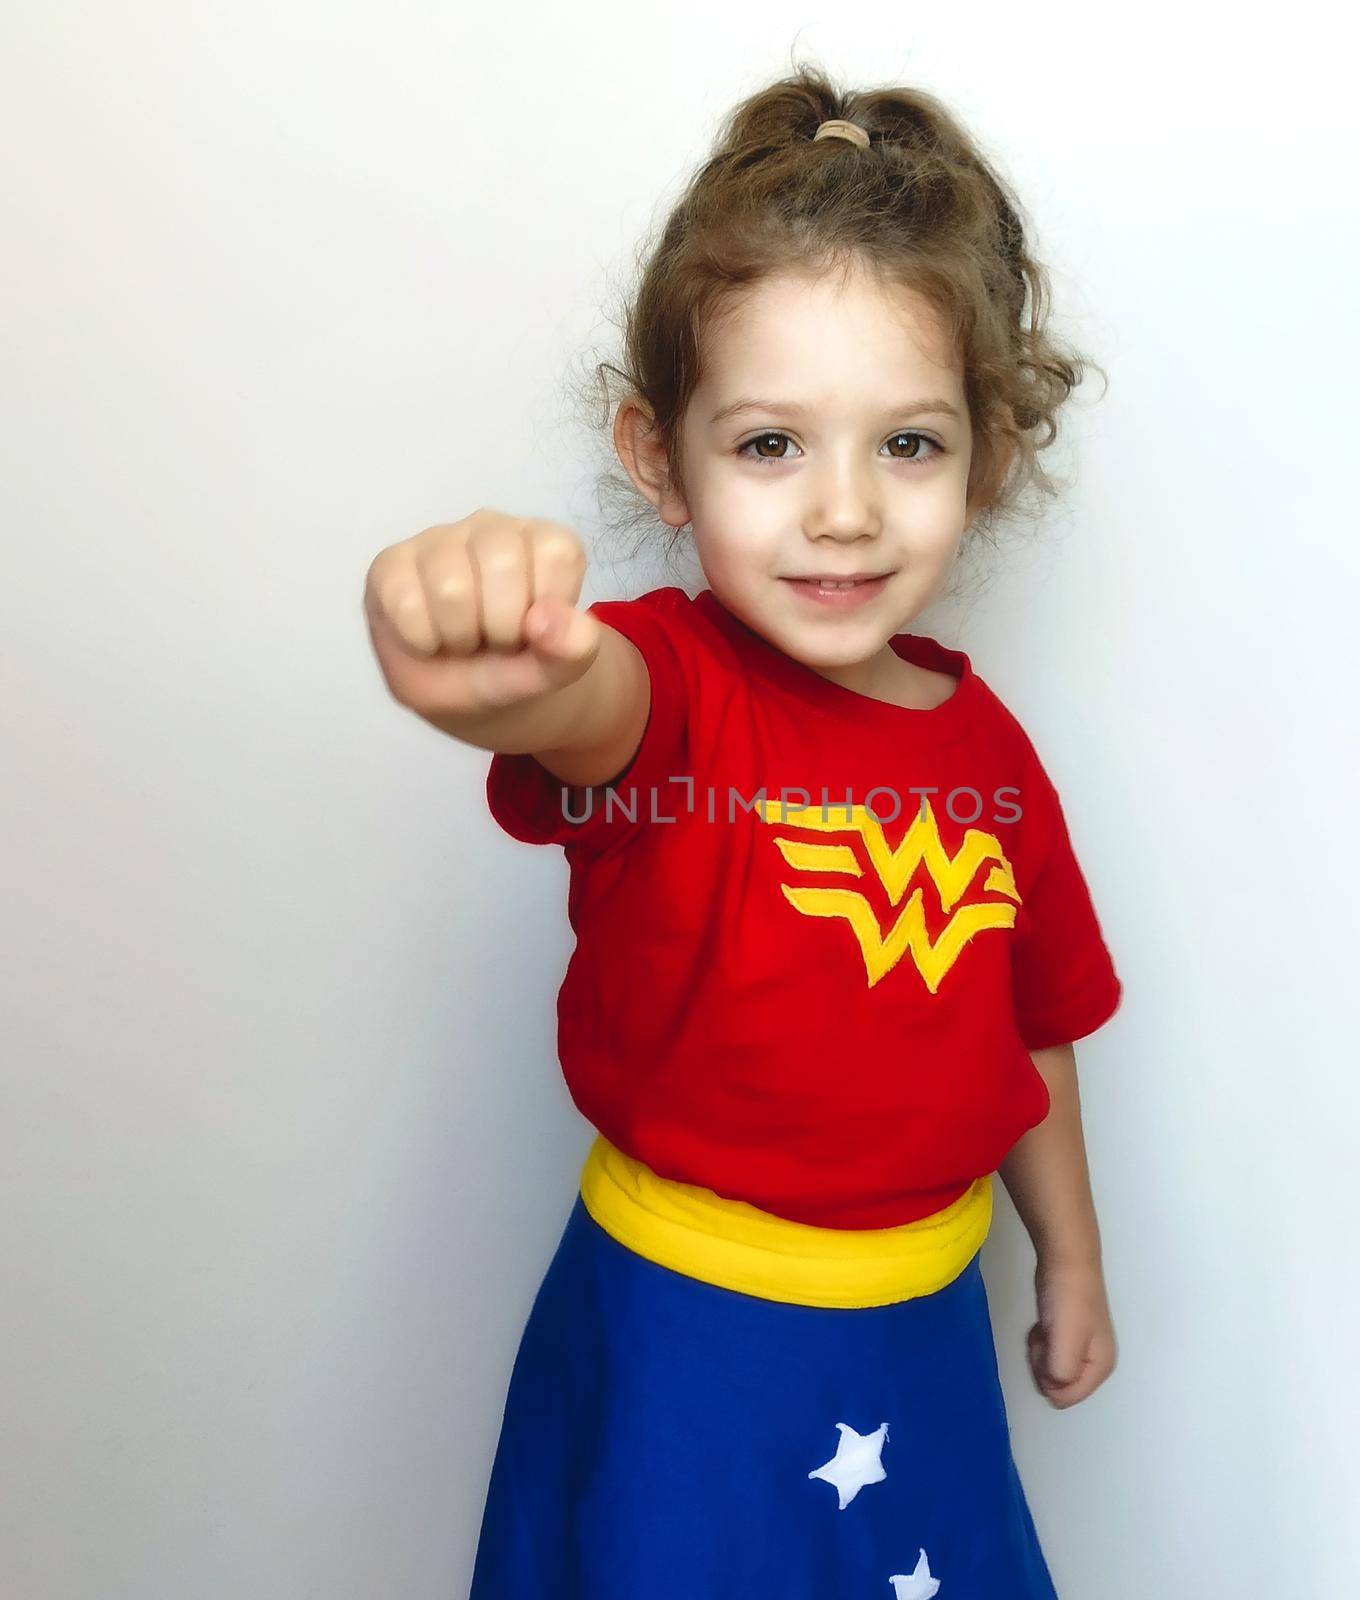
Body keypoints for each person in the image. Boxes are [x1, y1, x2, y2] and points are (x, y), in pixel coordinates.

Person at [363, 60, 1125, 1599]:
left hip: (924, 1340)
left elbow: (1033, 1029)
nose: (841, 510)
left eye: (905, 444)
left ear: (984, 458)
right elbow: (586, 707)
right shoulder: (678, 694)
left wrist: (1073, 1259)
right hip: (686, 1348)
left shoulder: (991, 758)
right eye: (772, 444)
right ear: (662, 455)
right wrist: (499, 655)